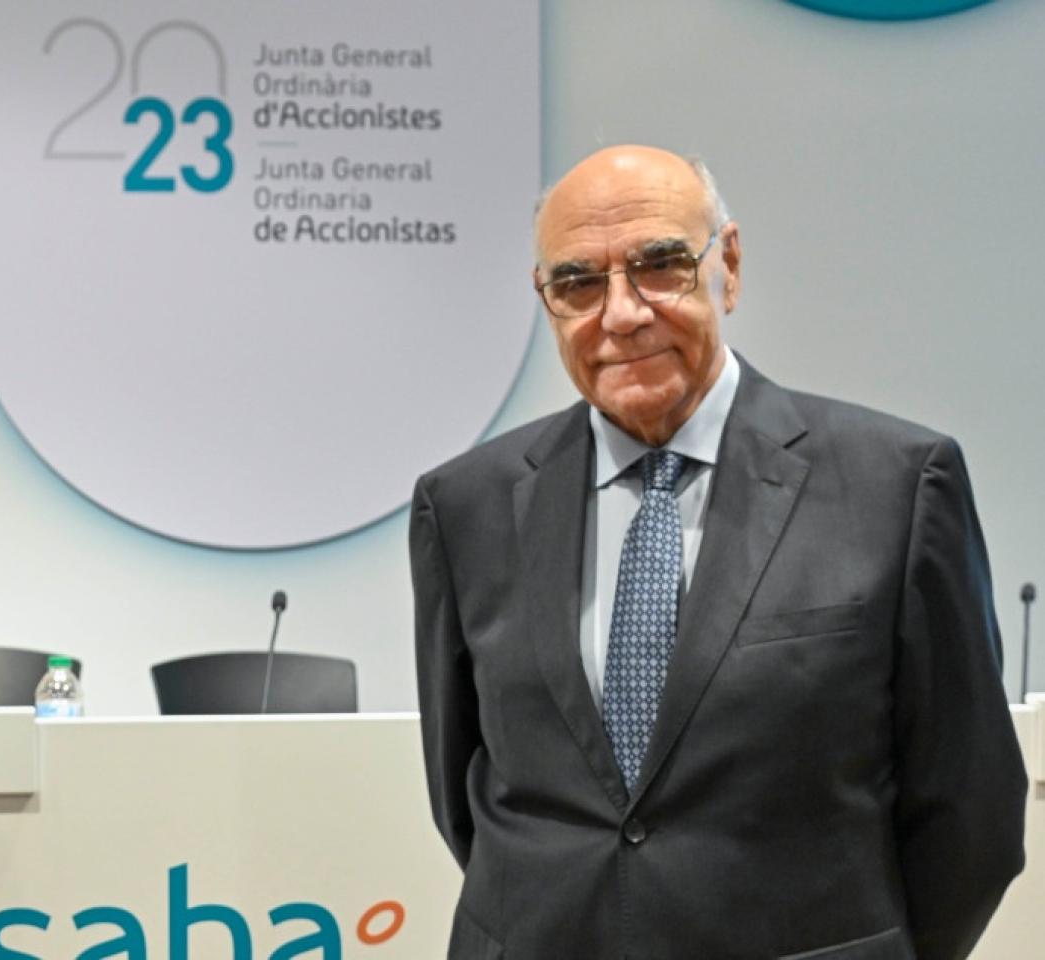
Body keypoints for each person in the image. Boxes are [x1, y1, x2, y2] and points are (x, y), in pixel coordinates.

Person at [411, 145, 1026, 960]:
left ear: (726, 267)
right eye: (578, 282)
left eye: (659, 266)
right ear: (546, 299)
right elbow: (465, 798)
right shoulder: (466, 506)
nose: (621, 314)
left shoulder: (898, 486)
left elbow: (970, 813)